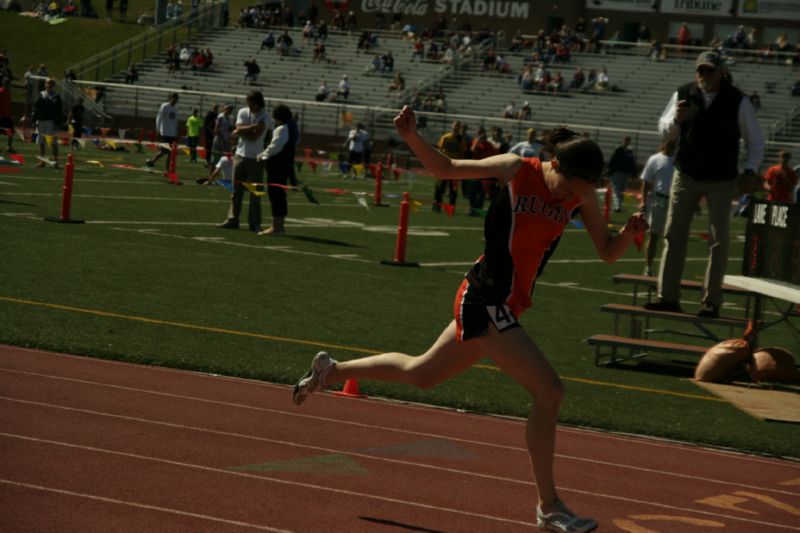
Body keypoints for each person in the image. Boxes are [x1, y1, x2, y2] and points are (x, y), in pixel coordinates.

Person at [292, 105, 647, 533]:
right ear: (556, 165)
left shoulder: (581, 194)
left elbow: (607, 250)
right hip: (483, 297)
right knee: (549, 393)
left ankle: (329, 372)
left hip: (506, 305)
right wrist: (411, 137)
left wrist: (628, 233)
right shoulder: (517, 169)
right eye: (570, 184)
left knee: (420, 373)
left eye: (584, 187)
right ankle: (549, 506)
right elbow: (445, 168)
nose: (571, 194)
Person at [646, 51, 764, 318]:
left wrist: (749, 171)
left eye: (709, 70)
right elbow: (663, 130)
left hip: (722, 179)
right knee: (673, 236)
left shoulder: (737, 100)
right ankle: (667, 297)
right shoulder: (684, 93)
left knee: (719, 241)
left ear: (722, 72)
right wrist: (677, 119)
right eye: (700, 69)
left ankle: (711, 301)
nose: (703, 75)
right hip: (685, 174)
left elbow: (755, 141)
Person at [217, 90, 269, 232]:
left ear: (258, 103)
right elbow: (238, 129)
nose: (249, 106)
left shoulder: (265, 116)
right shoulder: (243, 112)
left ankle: (254, 223)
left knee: (255, 193)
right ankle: (232, 219)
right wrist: (251, 128)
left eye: (252, 104)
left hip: (255, 158)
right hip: (239, 155)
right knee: (235, 191)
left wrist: (241, 131)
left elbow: (254, 137)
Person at [257, 104, 297, 236]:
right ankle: (279, 227)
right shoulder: (289, 127)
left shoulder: (282, 129)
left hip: (277, 167)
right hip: (283, 166)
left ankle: (276, 227)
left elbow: (275, 147)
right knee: (279, 196)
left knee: (276, 196)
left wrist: (262, 155)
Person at [639, 141, 676, 277]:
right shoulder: (655, 159)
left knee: (672, 237)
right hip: (658, 200)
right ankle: (648, 267)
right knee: (654, 235)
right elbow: (646, 182)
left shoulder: (680, 159)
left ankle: (668, 270)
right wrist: (643, 201)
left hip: (674, 201)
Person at [433, 120, 467, 212]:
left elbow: (462, 153)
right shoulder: (446, 137)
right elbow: (439, 150)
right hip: (444, 165)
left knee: (453, 190)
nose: (456, 128)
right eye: (455, 125)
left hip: (455, 167)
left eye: (458, 126)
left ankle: (451, 208)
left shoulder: (461, 140)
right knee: (440, 188)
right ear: (452, 126)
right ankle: (437, 206)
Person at [33, 78, 63, 168]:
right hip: (41, 121)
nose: (48, 85)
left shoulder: (57, 96)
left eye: (50, 83)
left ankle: (56, 161)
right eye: (47, 83)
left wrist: (57, 123)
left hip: (51, 122)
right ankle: (42, 161)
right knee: (41, 142)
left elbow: (59, 111)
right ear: (45, 84)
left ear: (53, 85)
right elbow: (36, 108)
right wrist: (34, 119)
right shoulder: (41, 94)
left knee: (53, 142)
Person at [146, 92, 179, 171]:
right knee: (164, 151)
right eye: (174, 99)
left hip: (172, 134)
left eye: (177, 99)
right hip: (164, 133)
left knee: (169, 153)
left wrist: (176, 133)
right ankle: (152, 161)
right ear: (171, 98)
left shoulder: (175, 109)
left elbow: (175, 123)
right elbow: (159, 118)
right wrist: (158, 130)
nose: (175, 101)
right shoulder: (164, 106)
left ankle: (166, 169)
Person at [606, 135, 637, 212]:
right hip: (617, 173)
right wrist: (609, 170)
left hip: (625, 174)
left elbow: (632, 163)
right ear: (623, 141)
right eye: (626, 140)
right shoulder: (619, 149)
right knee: (617, 189)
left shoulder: (630, 151)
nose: (627, 142)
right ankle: (617, 207)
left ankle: (618, 206)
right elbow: (612, 160)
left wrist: (633, 173)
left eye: (628, 140)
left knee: (622, 190)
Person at [0, 76, 16, 154]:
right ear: (3, 82)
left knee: (10, 132)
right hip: (1, 116)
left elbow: (9, 104)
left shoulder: (9, 92)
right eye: (5, 81)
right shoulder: (1, 91)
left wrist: (11, 114)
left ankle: (9, 147)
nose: (7, 83)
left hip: (8, 116)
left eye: (8, 82)